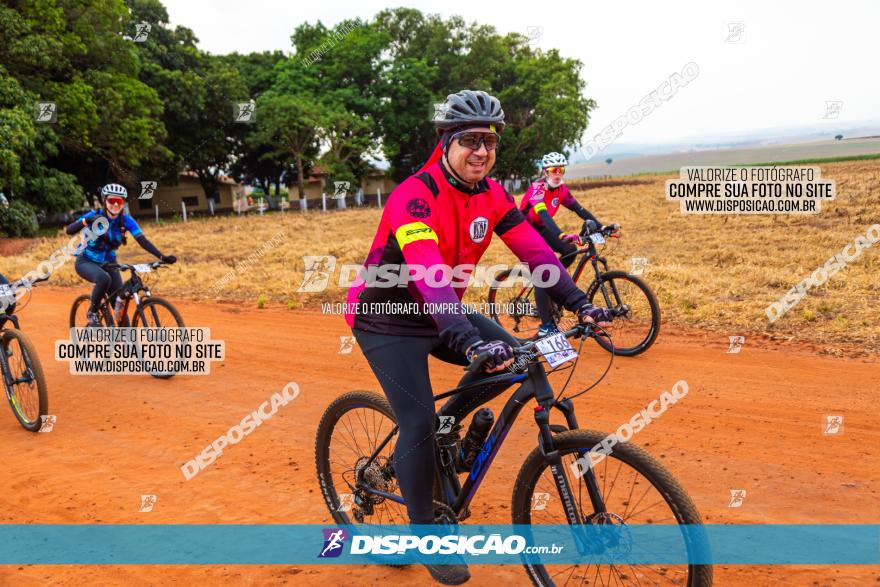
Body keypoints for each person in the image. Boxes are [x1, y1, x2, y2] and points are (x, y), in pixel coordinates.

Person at [344, 90, 612, 585]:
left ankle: (446, 432)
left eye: (489, 141)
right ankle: (425, 533)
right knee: (418, 419)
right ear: (445, 142)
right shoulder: (415, 195)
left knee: (514, 360)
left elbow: (535, 253)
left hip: (439, 311)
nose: (481, 151)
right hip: (386, 317)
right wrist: (466, 339)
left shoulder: (492, 194)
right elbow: (426, 270)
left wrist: (580, 302)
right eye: (469, 140)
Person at [519, 152, 620, 337]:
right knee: (544, 272)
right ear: (545, 171)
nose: (558, 173)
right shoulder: (537, 188)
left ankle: (555, 287)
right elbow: (543, 215)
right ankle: (546, 326)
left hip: (541, 227)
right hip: (524, 230)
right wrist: (560, 234)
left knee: (570, 250)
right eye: (554, 170)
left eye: (561, 169)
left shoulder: (561, 189)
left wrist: (602, 226)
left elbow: (579, 209)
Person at [66, 183, 176, 326]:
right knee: (103, 279)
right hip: (86, 261)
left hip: (110, 263)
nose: (115, 205)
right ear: (104, 201)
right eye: (112, 201)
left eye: (119, 201)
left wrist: (162, 257)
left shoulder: (126, 221)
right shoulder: (95, 215)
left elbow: (142, 240)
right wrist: (86, 221)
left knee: (120, 307)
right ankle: (92, 313)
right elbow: (69, 230)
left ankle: (130, 347)